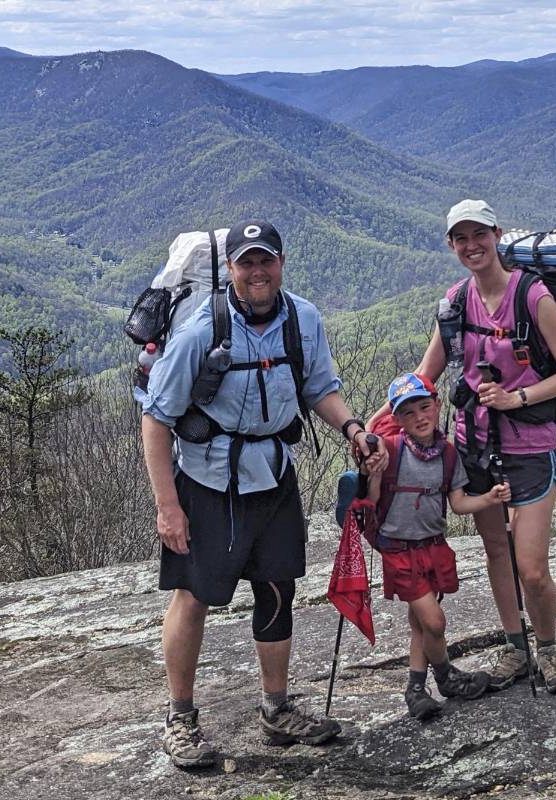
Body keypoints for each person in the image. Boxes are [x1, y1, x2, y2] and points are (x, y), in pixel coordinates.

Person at [142, 219, 385, 769]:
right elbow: (155, 420)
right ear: (230, 269)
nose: (257, 271)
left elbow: (320, 387)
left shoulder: (302, 318)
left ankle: (276, 710)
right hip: (207, 484)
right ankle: (179, 719)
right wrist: (168, 506)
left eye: (266, 260)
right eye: (246, 262)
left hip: (274, 476)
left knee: (277, 591)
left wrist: (353, 430)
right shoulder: (202, 330)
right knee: (194, 596)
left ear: (281, 263)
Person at [369, 199, 556, 694]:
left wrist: (517, 397)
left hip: (530, 446)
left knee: (531, 568)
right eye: (461, 238)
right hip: (475, 447)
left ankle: (548, 650)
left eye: (479, 235)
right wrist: (374, 425)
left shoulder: (534, 297)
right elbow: (427, 374)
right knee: (496, 553)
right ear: (451, 245)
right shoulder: (455, 304)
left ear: (497, 234)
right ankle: (515, 646)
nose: (472, 246)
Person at [366, 372, 511, 719]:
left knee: (420, 623)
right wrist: (371, 473)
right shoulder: (392, 451)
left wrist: (490, 499)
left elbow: (458, 503)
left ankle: (416, 689)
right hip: (399, 549)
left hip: (432, 546)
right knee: (434, 622)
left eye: (424, 407)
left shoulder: (447, 454)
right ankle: (445, 675)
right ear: (397, 419)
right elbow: (371, 500)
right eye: (409, 412)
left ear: (437, 406)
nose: (419, 417)